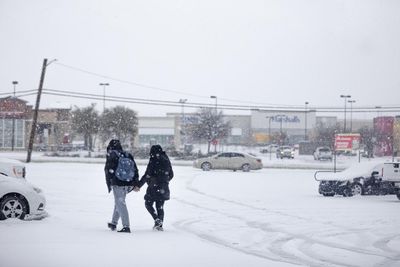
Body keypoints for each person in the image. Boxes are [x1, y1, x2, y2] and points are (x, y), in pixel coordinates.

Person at [104, 139, 139, 233]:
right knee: (119, 202)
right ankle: (114, 223)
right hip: (128, 183)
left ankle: (126, 226)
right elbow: (135, 169)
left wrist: (110, 184)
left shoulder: (112, 154)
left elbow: (108, 171)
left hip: (118, 183)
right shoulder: (127, 154)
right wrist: (135, 183)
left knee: (120, 203)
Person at [137, 145, 174, 231]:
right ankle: (159, 225)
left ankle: (156, 219)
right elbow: (171, 174)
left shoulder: (153, 159)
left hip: (154, 186)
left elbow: (147, 174)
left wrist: (139, 185)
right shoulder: (166, 159)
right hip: (163, 187)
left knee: (148, 204)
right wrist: (164, 181)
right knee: (160, 206)